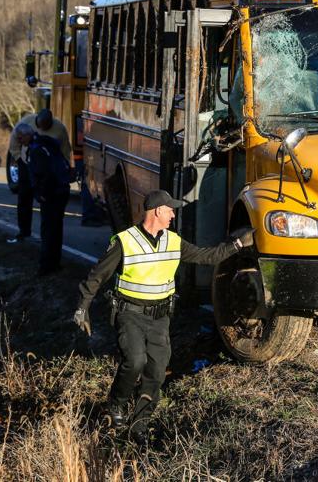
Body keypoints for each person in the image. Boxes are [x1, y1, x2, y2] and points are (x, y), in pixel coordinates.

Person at [72, 189, 254, 443]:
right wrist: (83, 307)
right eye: (170, 210)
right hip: (130, 314)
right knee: (135, 361)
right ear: (158, 211)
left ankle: (139, 427)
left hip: (159, 318)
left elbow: (206, 256)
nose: (172, 215)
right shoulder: (125, 241)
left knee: (156, 372)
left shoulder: (173, 241)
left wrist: (236, 245)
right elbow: (97, 276)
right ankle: (116, 405)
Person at [7, 109, 71, 243]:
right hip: (27, 163)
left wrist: (65, 168)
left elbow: (65, 149)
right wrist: (20, 159)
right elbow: (14, 142)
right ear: (37, 122)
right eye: (41, 126)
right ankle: (24, 230)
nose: (44, 129)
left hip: (50, 169)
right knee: (24, 197)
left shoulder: (59, 128)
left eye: (47, 126)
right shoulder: (26, 122)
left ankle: (48, 236)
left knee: (47, 201)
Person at [25, 124, 72, 276]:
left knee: (48, 230)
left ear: (27, 135)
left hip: (52, 193)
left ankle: (46, 266)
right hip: (61, 190)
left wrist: (42, 194)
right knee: (56, 228)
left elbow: (44, 174)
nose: (19, 141)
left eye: (20, 138)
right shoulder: (47, 144)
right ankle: (54, 262)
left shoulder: (37, 150)